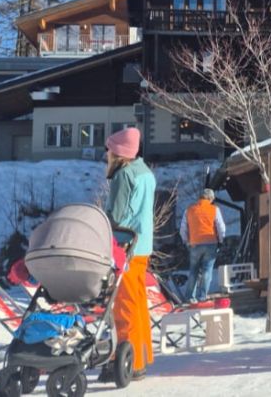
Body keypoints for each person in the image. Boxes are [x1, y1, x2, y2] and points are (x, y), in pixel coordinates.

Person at [103, 127, 155, 379]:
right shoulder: (146, 173)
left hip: (125, 247)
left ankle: (128, 362)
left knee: (124, 305)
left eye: (109, 150)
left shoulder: (125, 175)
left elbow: (118, 215)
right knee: (138, 303)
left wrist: (102, 225)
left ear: (118, 153)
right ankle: (141, 356)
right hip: (143, 246)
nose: (106, 155)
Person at [179, 188, 226, 302]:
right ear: (210, 198)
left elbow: (183, 229)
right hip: (211, 243)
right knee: (207, 270)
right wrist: (221, 240)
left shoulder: (189, 210)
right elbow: (221, 228)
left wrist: (186, 241)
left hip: (194, 244)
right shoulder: (214, 209)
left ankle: (190, 297)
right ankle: (202, 296)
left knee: (193, 270)